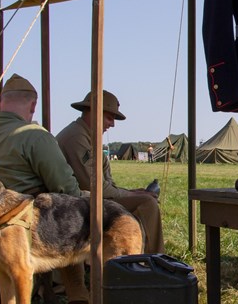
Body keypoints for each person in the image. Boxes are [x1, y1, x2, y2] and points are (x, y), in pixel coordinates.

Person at [0, 73, 90, 304]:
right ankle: (79, 297)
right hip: (26, 224)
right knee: (74, 211)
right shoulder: (34, 135)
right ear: (33, 105)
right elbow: (64, 186)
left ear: (0, 104)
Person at [56, 90, 165, 254]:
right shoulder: (77, 138)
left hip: (82, 201)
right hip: (76, 206)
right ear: (93, 112)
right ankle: (155, 260)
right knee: (147, 203)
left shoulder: (85, 135)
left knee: (143, 198)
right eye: (109, 117)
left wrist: (131, 193)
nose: (112, 124)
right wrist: (132, 195)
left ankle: (136, 257)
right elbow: (96, 187)